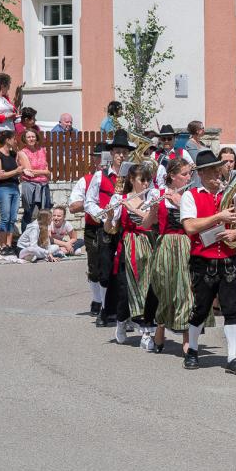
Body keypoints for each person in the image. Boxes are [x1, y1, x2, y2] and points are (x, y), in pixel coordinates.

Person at [180, 150, 236, 374]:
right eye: (212, 171)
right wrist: (219, 217)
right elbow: (190, 227)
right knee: (200, 308)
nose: (218, 174)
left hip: (229, 258)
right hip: (202, 260)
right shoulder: (190, 195)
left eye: (219, 169)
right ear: (201, 174)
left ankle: (233, 357)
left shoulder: (233, 194)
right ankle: (192, 350)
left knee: (232, 309)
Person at [145, 158, 200, 356]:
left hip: (186, 245)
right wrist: (152, 211)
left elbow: (197, 221)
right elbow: (145, 225)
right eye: (184, 174)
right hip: (166, 246)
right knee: (165, 290)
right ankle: (160, 328)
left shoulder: (191, 195)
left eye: (189, 174)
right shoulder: (157, 194)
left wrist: (180, 203)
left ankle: (186, 339)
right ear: (172, 176)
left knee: (186, 292)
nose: (188, 177)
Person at [105, 163, 159, 346]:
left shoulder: (151, 198)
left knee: (148, 289)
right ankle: (121, 322)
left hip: (148, 245)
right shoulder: (120, 199)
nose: (146, 184)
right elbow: (110, 229)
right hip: (128, 247)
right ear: (131, 180)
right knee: (125, 290)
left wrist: (133, 207)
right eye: (142, 180)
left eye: (148, 180)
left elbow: (150, 222)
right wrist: (109, 216)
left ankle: (146, 332)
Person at [84, 130, 134, 326]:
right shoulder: (100, 175)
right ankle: (105, 309)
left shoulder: (132, 176)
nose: (121, 155)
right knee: (105, 271)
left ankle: (124, 312)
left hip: (127, 228)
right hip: (106, 227)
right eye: (118, 152)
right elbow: (89, 202)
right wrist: (105, 215)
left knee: (125, 271)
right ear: (111, 153)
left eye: (124, 152)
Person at [69, 143, 107, 314]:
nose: (102, 161)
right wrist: (91, 201)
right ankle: (97, 299)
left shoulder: (118, 179)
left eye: (105, 157)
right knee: (94, 265)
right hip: (94, 226)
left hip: (115, 225)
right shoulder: (86, 180)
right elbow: (73, 206)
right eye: (98, 157)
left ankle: (109, 302)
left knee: (112, 266)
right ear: (94, 160)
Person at [0, 130, 23, 256]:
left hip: (14, 187)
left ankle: (9, 245)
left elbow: (18, 168)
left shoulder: (13, 154)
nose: (15, 141)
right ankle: (2, 246)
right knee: (5, 218)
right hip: (3, 189)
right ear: (8, 140)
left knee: (12, 218)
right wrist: (16, 171)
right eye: (14, 139)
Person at [17, 127, 52, 230]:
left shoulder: (42, 150)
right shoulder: (22, 153)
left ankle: (41, 237)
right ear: (25, 139)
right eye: (28, 137)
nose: (31, 139)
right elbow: (30, 173)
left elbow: (46, 168)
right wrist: (45, 172)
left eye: (33, 136)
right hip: (30, 185)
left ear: (36, 138)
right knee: (31, 214)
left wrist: (45, 172)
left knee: (44, 214)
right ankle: (26, 236)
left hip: (43, 185)